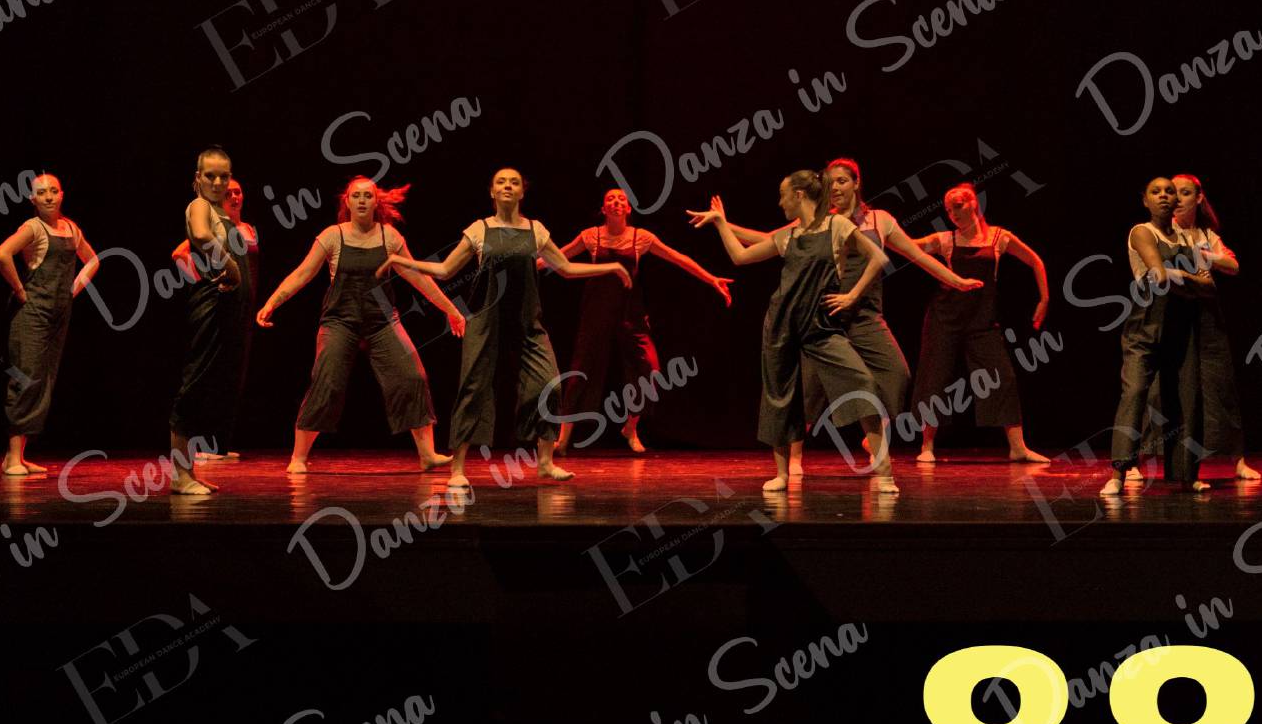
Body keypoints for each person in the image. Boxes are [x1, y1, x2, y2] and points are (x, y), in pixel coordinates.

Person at [706, 156, 982, 474]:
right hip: (825, 316)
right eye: (830, 182)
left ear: (856, 183)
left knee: (896, 375)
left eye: (842, 181)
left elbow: (917, 255)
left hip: (865, 315)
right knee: (809, 392)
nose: (835, 187)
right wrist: (723, 223)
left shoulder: (879, 220)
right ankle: (794, 459)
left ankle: (872, 435)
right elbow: (770, 240)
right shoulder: (821, 221)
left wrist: (956, 280)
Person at [378, 167, 630, 494]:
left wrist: (611, 266)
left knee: (549, 384)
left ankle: (545, 462)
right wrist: (402, 262)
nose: (508, 186)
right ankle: (458, 468)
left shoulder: (535, 230)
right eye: (501, 182)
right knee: (473, 387)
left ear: (522, 192)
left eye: (514, 182)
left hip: (526, 321)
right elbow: (445, 269)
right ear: (492, 192)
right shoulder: (479, 230)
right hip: (486, 320)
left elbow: (566, 268)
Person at [691, 169, 896, 494]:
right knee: (779, 396)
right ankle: (782, 474)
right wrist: (720, 223)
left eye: (783, 195)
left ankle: (884, 473)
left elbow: (878, 257)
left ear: (799, 195)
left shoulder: (837, 226)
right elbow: (740, 256)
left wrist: (852, 295)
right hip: (782, 323)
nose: (780, 202)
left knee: (863, 383)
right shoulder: (788, 234)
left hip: (821, 326)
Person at [256, 176, 465, 473]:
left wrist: (451, 310)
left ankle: (427, 455)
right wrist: (272, 302)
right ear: (347, 202)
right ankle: (298, 457)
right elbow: (302, 274)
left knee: (411, 376)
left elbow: (418, 278)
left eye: (368, 195)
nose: (362, 200)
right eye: (356, 196)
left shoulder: (389, 237)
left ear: (376, 201)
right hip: (340, 321)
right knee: (327, 381)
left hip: (382, 321)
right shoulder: (333, 236)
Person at [552, 187, 732, 454]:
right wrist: (525, 264)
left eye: (621, 199)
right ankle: (563, 438)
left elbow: (678, 258)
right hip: (596, 314)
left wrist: (711, 279)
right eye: (610, 199)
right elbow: (557, 257)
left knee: (651, 369)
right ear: (603, 209)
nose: (615, 201)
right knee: (580, 371)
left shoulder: (640, 237)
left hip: (630, 315)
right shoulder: (591, 236)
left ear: (628, 209)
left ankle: (630, 427)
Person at [909, 181, 1050, 463]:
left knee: (1003, 377)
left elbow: (1035, 261)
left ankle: (1018, 447)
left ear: (974, 204)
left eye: (957, 206)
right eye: (949, 210)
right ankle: (927, 446)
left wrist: (1044, 299)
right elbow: (908, 247)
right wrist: (880, 233)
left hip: (982, 319)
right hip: (945, 317)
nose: (953, 214)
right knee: (934, 376)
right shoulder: (946, 239)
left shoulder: (999, 238)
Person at [1132, 173, 1259, 483]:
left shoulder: (1204, 234)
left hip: (1207, 317)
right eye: (1172, 192)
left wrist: (1206, 257)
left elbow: (1233, 265)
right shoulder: (1163, 231)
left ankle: (1237, 459)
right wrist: (1190, 275)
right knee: (1157, 389)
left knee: (1220, 384)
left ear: (1198, 198)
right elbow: (1158, 272)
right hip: (1173, 315)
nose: (1176, 199)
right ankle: (1138, 459)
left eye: (1185, 193)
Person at [1099, 176, 1213, 498]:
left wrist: (1182, 278)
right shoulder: (1141, 232)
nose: (1163, 195)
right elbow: (1159, 276)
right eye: (1156, 191)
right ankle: (1119, 473)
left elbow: (1210, 288)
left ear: (1177, 201)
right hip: (1146, 322)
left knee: (1187, 396)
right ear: (1145, 200)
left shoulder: (1188, 238)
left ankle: (1187, 475)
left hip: (1182, 325)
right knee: (1135, 392)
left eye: (1169, 192)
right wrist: (1190, 281)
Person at [0, 173, 99, 475]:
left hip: (59, 314)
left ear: (62, 195)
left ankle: (18, 457)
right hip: (32, 313)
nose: (49, 196)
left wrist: (73, 289)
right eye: (42, 192)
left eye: (53, 191)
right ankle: (13, 457)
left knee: (43, 380)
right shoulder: (33, 227)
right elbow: (1, 254)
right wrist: (19, 290)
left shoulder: (71, 228)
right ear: (33, 199)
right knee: (25, 378)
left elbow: (93, 260)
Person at [168, 147, 252, 496]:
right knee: (195, 382)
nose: (218, 182)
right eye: (210, 176)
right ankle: (180, 475)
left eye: (224, 176)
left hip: (227, 307)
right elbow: (201, 236)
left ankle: (188, 471)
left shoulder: (222, 212)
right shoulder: (200, 205)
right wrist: (230, 266)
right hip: (210, 303)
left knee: (209, 386)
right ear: (197, 178)